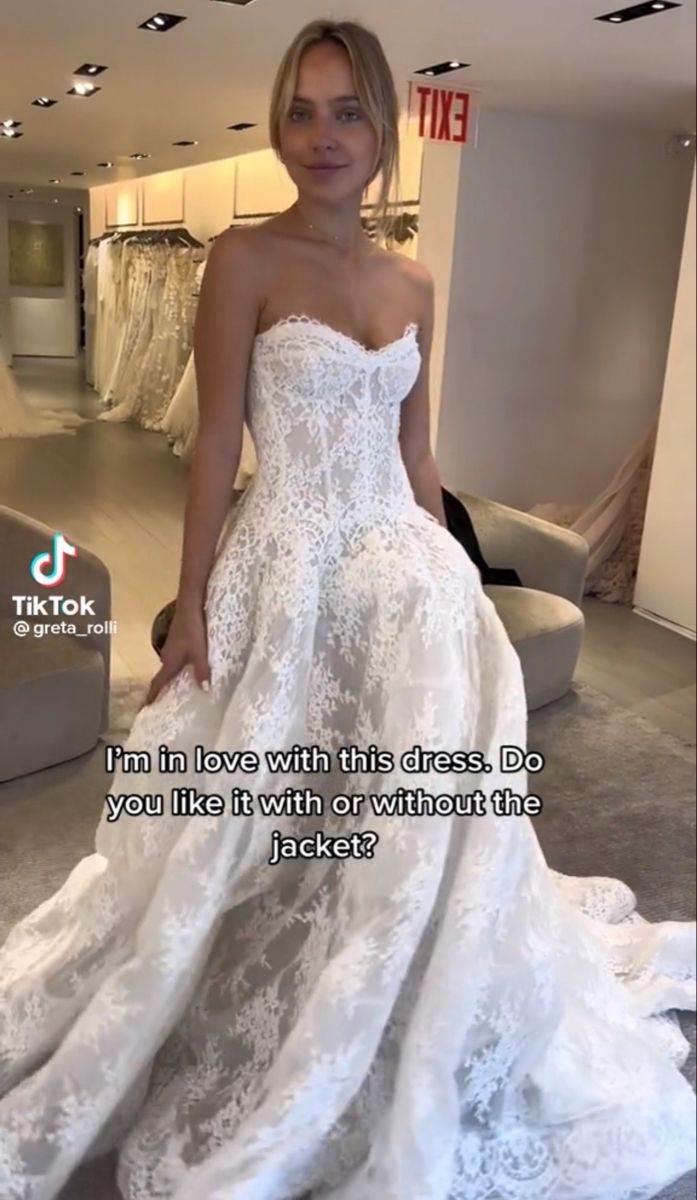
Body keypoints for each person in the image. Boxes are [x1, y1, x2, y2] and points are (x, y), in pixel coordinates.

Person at [0, 18, 694, 1200]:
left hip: (403, 570)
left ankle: (400, 969)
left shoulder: (412, 276)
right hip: (287, 558)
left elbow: (415, 447)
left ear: (384, 128)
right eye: (302, 112)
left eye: (347, 113)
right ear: (279, 126)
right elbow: (216, 441)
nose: (322, 138)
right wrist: (197, 602)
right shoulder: (243, 259)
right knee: (265, 801)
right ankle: (274, 981)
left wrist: (454, 577)